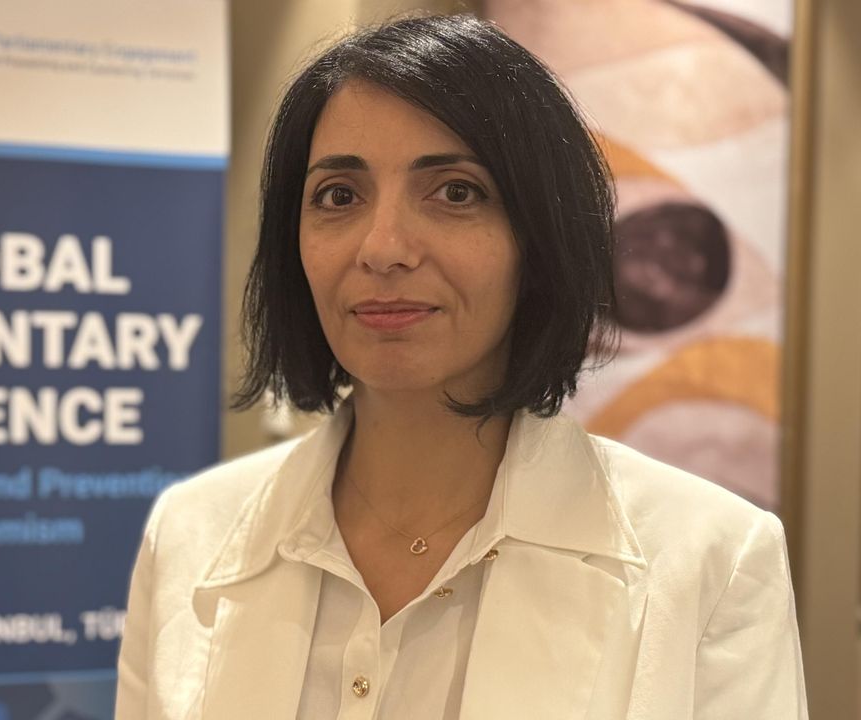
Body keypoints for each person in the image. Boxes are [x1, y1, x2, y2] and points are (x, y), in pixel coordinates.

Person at [115, 14, 807, 720]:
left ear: (538, 237)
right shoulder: (189, 534)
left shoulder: (711, 561)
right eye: (339, 196)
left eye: (455, 192)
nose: (383, 248)